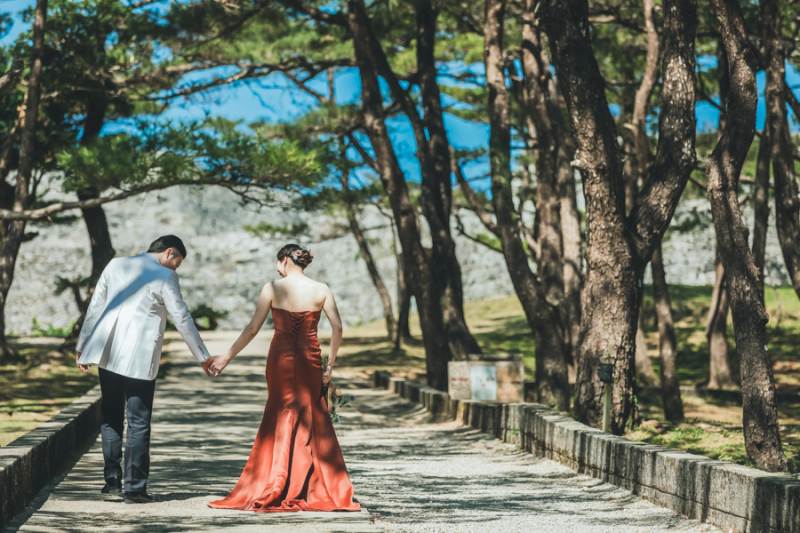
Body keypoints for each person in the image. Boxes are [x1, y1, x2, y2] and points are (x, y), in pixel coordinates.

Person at [207, 244, 360, 513]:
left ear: (286, 260)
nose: (277, 267)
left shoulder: (272, 288)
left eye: (278, 262)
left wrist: (226, 357)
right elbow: (337, 326)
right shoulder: (321, 289)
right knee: (311, 412)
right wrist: (330, 366)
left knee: (281, 411)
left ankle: (278, 477)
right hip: (310, 357)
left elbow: (254, 328)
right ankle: (308, 481)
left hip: (280, 357)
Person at [76, 235, 214, 504]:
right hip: (138, 357)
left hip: (107, 352)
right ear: (169, 252)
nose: (176, 268)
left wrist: (83, 345)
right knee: (138, 421)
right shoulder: (165, 276)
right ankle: (135, 489)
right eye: (177, 262)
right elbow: (182, 317)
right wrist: (203, 356)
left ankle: (112, 482)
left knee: (111, 416)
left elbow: (95, 307)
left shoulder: (115, 264)